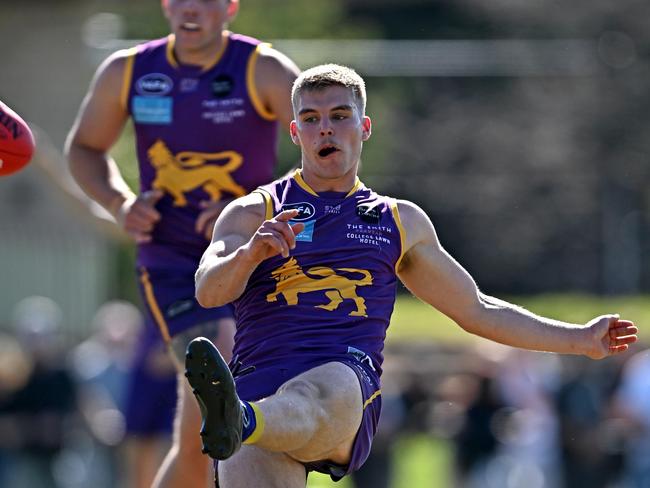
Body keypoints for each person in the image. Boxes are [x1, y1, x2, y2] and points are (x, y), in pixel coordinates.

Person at [187, 63, 638, 487]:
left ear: (364, 128)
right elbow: (209, 290)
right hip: (255, 390)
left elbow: (477, 309)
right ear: (295, 133)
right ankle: (246, 419)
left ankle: (245, 421)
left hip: (340, 387)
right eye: (311, 118)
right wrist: (250, 254)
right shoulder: (254, 212)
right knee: (256, 423)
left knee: (323, 389)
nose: (325, 127)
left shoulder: (397, 222)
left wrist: (579, 339)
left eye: (340, 116)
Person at [65, 1, 300, 486]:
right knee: (216, 364)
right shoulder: (129, 71)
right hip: (169, 260)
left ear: (231, 7)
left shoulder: (264, 69)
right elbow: (85, 148)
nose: (192, 8)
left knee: (200, 440)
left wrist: (251, 206)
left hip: (249, 255)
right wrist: (120, 202)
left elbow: (327, 145)